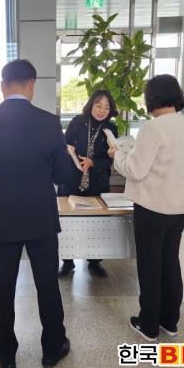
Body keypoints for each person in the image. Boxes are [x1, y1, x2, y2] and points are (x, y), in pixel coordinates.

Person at [0, 59, 71, 368]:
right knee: (47, 285)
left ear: (3, 86)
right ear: (32, 85)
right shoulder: (49, 122)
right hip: (41, 217)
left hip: (3, 217)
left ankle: (6, 353)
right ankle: (52, 349)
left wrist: (1, 186)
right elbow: (63, 174)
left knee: (3, 286)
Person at [109, 74, 184, 341]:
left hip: (153, 208)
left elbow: (135, 169)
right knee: (170, 263)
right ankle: (170, 321)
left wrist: (118, 154)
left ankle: (148, 325)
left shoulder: (153, 128)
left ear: (151, 98)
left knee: (150, 267)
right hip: (178, 209)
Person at [58, 90, 118, 278]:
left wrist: (93, 162)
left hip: (97, 181)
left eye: (106, 107)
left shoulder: (111, 129)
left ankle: (94, 262)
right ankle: (67, 262)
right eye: (99, 106)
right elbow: (64, 145)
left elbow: (111, 159)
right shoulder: (77, 122)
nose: (102, 111)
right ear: (91, 105)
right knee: (67, 222)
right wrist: (68, 150)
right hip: (72, 179)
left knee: (97, 224)